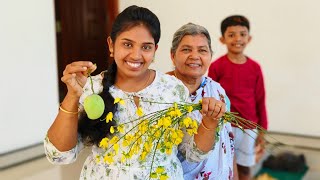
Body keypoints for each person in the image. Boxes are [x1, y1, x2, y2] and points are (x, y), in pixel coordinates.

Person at [44, 5, 226, 180]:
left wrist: (209, 122)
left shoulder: (173, 89)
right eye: (127, 44)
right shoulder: (92, 88)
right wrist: (73, 95)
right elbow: (59, 155)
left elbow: (194, 153)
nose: (136, 55)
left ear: (155, 50)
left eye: (146, 47)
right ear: (111, 44)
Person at [167, 23, 238, 180]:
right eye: (186, 50)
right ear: (173, 55)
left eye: (202, 50)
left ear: (210, 56)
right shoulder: (163, 92)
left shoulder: (218, 91)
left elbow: (228, 143)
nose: (195, 56)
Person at [208, 15, 268, 180]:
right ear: (222, 39)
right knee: (226, 167)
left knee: (245, 169)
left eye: (242, 34)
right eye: (231, 34)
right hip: (224, 125)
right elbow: (210, 97)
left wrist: (262, 130)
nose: (237, 39)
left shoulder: (255, 68)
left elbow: (260, 99)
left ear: (249, 38)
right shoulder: (216, 67)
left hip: (248, 127)